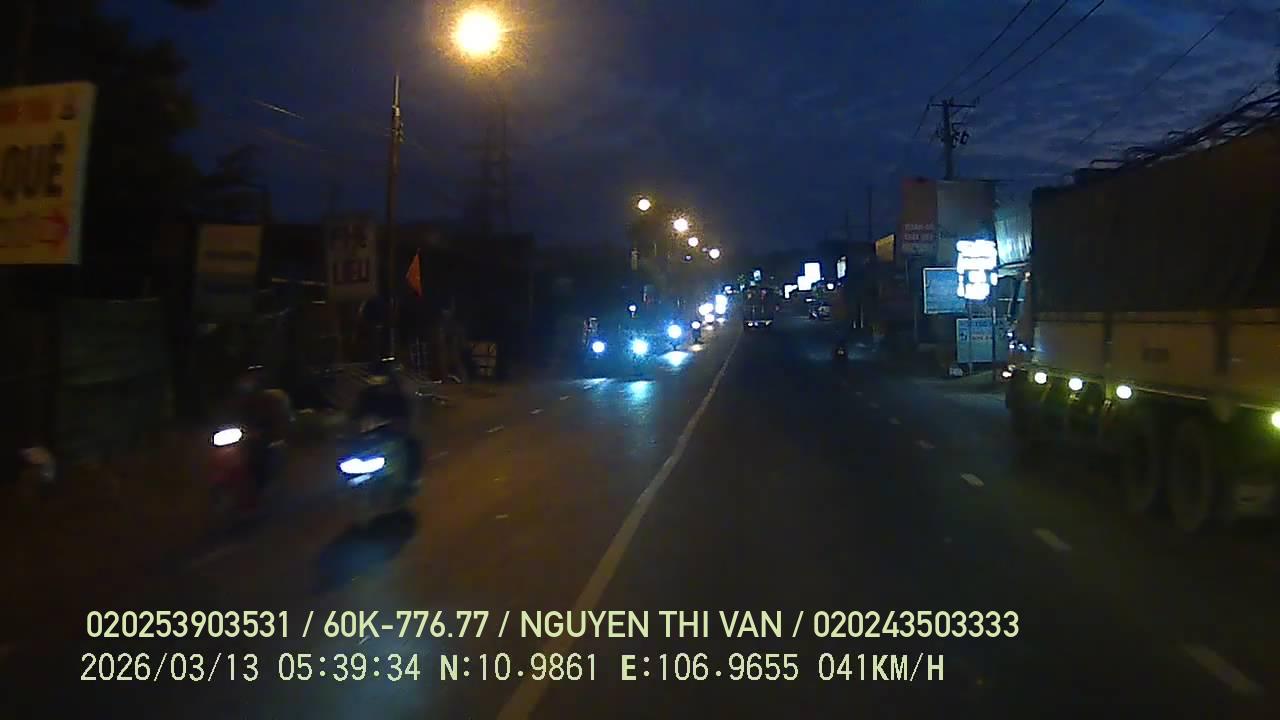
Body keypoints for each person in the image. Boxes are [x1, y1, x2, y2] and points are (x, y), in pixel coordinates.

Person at [352, 358, 422, 487]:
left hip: (391, 434)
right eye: (374, 377)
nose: (377, 380)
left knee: (413, 445)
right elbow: (355, 414)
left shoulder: (396, 394)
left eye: (380, 377)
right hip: (368, 436)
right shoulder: (366, 395)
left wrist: (396, 424)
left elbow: (404, 415)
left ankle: (411, 480)